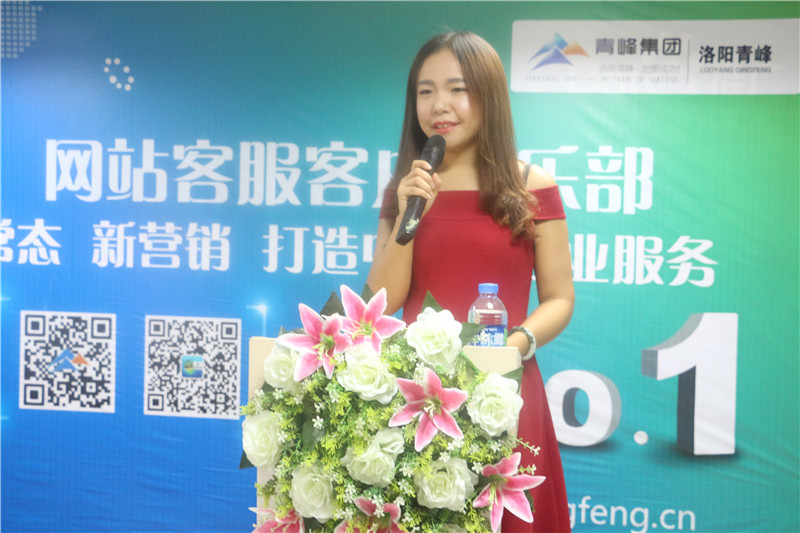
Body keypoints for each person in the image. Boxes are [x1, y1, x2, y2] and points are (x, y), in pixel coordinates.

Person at [367, 31, 574, 532]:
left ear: (488, 96)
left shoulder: (531, 185)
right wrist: (409, 212)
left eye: (457, 89)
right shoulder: (405, 189)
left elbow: (560, 298)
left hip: (504, 387)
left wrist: (512, 348)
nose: (440, 105)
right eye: (426, 91)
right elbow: (383, 301)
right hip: (418, 396)